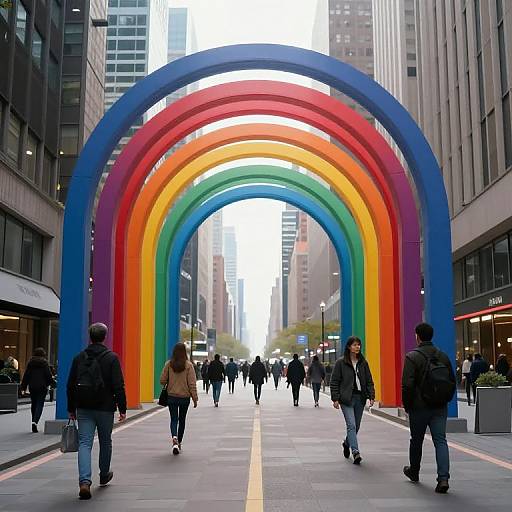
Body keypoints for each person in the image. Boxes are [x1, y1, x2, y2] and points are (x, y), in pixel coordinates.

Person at [67, 323, 127, 500]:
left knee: (85, 443)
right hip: (105, 407)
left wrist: (71, 408)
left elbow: (70, 385)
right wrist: (122, 408)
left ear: (90, 336)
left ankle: (84, 482)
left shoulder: (79, 358)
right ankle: (104, 474)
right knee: (105, 441)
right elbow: (119, 385)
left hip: (84, 406)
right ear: (104, 337)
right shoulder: (112, 358)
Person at [402, 323, 456, 494]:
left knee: (416, 440)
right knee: (440, 440)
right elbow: (452, 382)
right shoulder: (443, 356)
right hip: (439, 406)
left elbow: (407, 385)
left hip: (419, 407)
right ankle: (443, 478)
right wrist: (445, 399)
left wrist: (407, 405)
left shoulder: (412, 357)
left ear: (417, 336)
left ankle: (414, 471)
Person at [330, 337, 375, 465]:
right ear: (349, 347)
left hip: (360, 398)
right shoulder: (341, 363)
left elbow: (369, 381)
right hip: (346, 399)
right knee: (351, 425)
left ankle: (346, 443)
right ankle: (355, 451)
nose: (357, 347)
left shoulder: (363, 363)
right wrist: (335, 398)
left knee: (357, 426)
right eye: (355, 345)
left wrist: (371, 396)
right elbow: (334, 382)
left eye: (359, 345)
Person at [159, 342, 198, 455]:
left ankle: (174, 438)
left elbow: (162, 380)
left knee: (174, 419)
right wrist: (195, 398)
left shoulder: (169, 364)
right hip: (184, 398)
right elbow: (192, 384)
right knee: (182, 420)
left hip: (171, 397)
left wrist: (170, 381)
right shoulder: (189, 365)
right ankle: (179, 442)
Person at [20, 348, 56, 432]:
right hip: (42, 386)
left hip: (32, 386)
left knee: (34, 403)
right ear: (43, 355)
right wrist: (52, 383)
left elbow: (26, 375)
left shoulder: (30, 363)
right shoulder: (44, 363)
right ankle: (35, 422)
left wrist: (23, 387)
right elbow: (48, 375)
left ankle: (33, 420)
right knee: (40, 404)